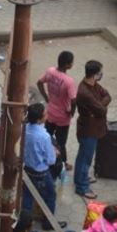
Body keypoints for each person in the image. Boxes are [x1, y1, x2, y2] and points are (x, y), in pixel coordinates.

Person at [22, 103, 64, 229]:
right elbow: (51, 161)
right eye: (45, 114)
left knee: (27, 196)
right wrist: (54, 152)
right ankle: (48, 223)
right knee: (51, 196)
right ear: (39, 119)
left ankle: (25, 224)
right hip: (41, 173)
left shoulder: (24, 129)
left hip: (27, 170)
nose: (47, 115)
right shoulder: (44, 137)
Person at [74, 60, 111, 200]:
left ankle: (81, 177)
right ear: (94, 74)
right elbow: (102, 110)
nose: (101, 74)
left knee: (84, 157)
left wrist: (99, 107)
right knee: (85, 159)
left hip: (93, 127)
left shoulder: (93, 85)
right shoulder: (84, 92)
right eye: (100, 72)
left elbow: (107, 95)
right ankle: (81, 186)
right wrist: (99, 108)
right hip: (88, 130)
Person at [37, 51, 76, 180]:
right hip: (62, 118)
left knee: (48, 137)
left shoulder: (50, 71)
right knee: (61, 142)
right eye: (71, 62)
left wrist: (46, 98)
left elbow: (39, 82)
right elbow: (73, 100)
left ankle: (45, 156)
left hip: (50, 113)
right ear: (67, 65)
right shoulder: (69, 81)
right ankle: (63, 163)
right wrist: (71, 112)